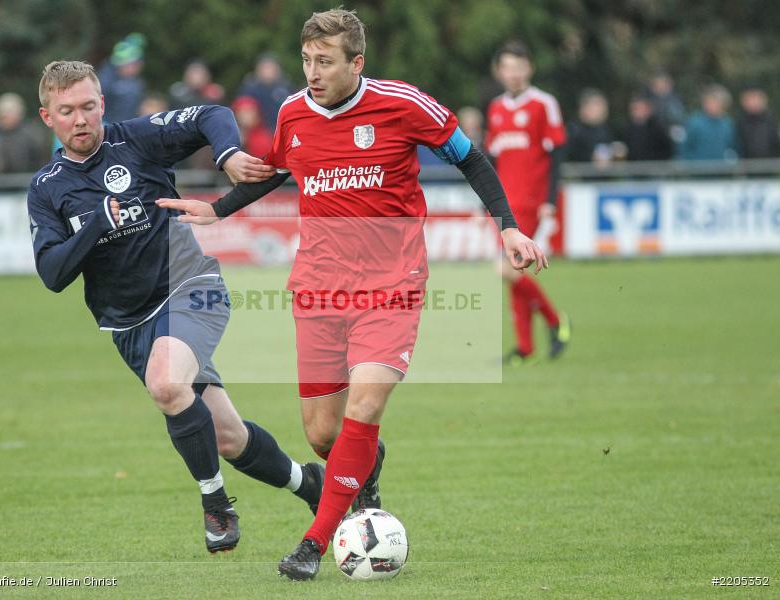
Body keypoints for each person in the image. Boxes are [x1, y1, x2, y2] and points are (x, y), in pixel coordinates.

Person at [156, 9, 547, 580]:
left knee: (365, 408)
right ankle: (367, 464)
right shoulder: (293, 112)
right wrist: (217, 209)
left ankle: (314, 544)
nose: (312, 73)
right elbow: (277, 171)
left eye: (326, 62)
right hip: (318, 286)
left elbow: (469, 156)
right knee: (323, 434)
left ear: (356, 63)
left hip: (393, 285)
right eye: (307, 61)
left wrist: (507, 224)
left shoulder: (403, 103)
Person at [27, 60, 324, 555]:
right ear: (47, 118)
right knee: (227, 438)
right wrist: (97, 224)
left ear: (102, 104)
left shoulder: (136, 139)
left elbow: (212, 113)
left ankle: (215, 504)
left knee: (166, 384)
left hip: (191, 285)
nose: (80, 119)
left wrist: (228, 154)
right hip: (129, 324)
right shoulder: (46, 188)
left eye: (87, 107)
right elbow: (53, 274)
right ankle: (311, 486)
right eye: (67, 111)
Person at [485, 41, 571, 365]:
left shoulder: (543, 104)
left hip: (531, 202)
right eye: (508, 67)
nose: (514, 73)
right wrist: (488, 203)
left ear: (529, 69)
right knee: (514, 269)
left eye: (519, 66)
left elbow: (557, 154)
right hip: (503, 204)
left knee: (505, 268)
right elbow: (491, 160)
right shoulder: (495, 108)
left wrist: (549, 200)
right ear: (500, 71)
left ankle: (555, 320)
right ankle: (525, 347)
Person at [679, 83, 738, 161]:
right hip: (697, 170)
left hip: (721, 170)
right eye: (709, 102)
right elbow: (684, 148)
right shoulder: (694, 122)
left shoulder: (727, 124)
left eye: (716, 102)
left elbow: (733, 147)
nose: (712, 106)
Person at [237, 53, 294, 132]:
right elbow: (244, 113)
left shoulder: (285, 86)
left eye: (271, 68)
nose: (268, 71)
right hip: (257, 131)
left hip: (282, 129)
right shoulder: (250, 88)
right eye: (265, 68)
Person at [0, 92, 48, 173]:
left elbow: (41, 159)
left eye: (9, 113)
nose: (5, 118)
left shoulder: (31, 134)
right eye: (3, 115)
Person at [98, 33, 146, 124]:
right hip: (107, 127)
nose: (138, 68)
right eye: (135, 65)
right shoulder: (105, 81)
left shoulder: (137, 82)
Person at [565, 88, 615, 165]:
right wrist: (590, 157)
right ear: (584, 108)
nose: (603, 109)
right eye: (598, 105)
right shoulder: (574, 130)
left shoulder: (605, 130)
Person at [621, 93, 673, 161]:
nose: (637, 112)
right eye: (634, 108)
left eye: (640, 108)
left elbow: (666, 150)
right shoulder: (626, 128)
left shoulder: (658, 129)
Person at [735, 85, 780, 159]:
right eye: (750, 99)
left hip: (769, 163)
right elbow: (737, 145)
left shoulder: (771, 119)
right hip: (747, 164)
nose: (754, 102)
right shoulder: (740, 121)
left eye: (756, 98)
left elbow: (776, 141)